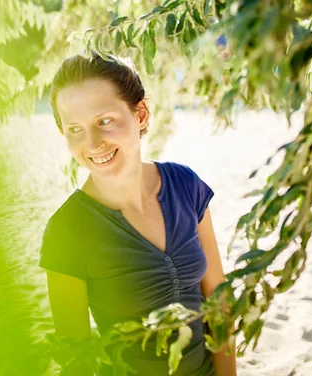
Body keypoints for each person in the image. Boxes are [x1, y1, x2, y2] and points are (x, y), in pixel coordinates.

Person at [39, 52, 237, 376]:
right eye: (75, 129)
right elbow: (76, 359)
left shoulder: (186, 186)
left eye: (104, 121)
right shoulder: (67, 230)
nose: (93, 143)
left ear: (141, 114)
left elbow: (219, 302)